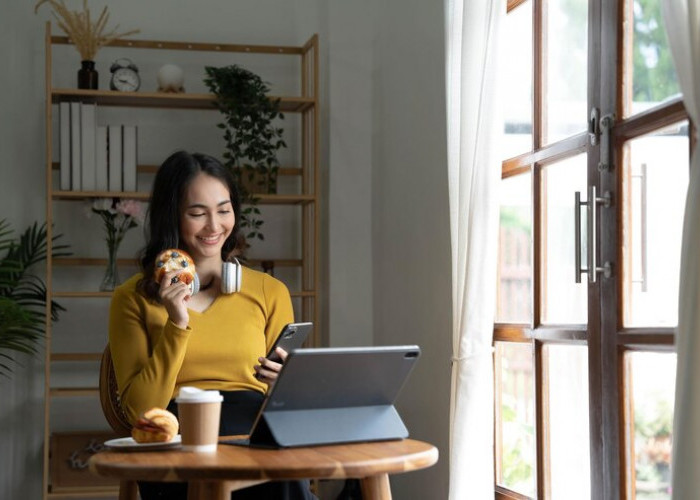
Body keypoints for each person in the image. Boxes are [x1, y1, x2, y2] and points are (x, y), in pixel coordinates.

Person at [108, 151, 316, 499]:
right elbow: (140, 410)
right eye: (197, 213)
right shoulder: (133, 298)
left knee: (283, 472)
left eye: (224, 210)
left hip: (254, 432)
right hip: (177, 437)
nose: (214, 226)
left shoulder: (269, 291)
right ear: (171, 216)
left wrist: (288, 386)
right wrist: (176, 324)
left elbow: (284, 400)